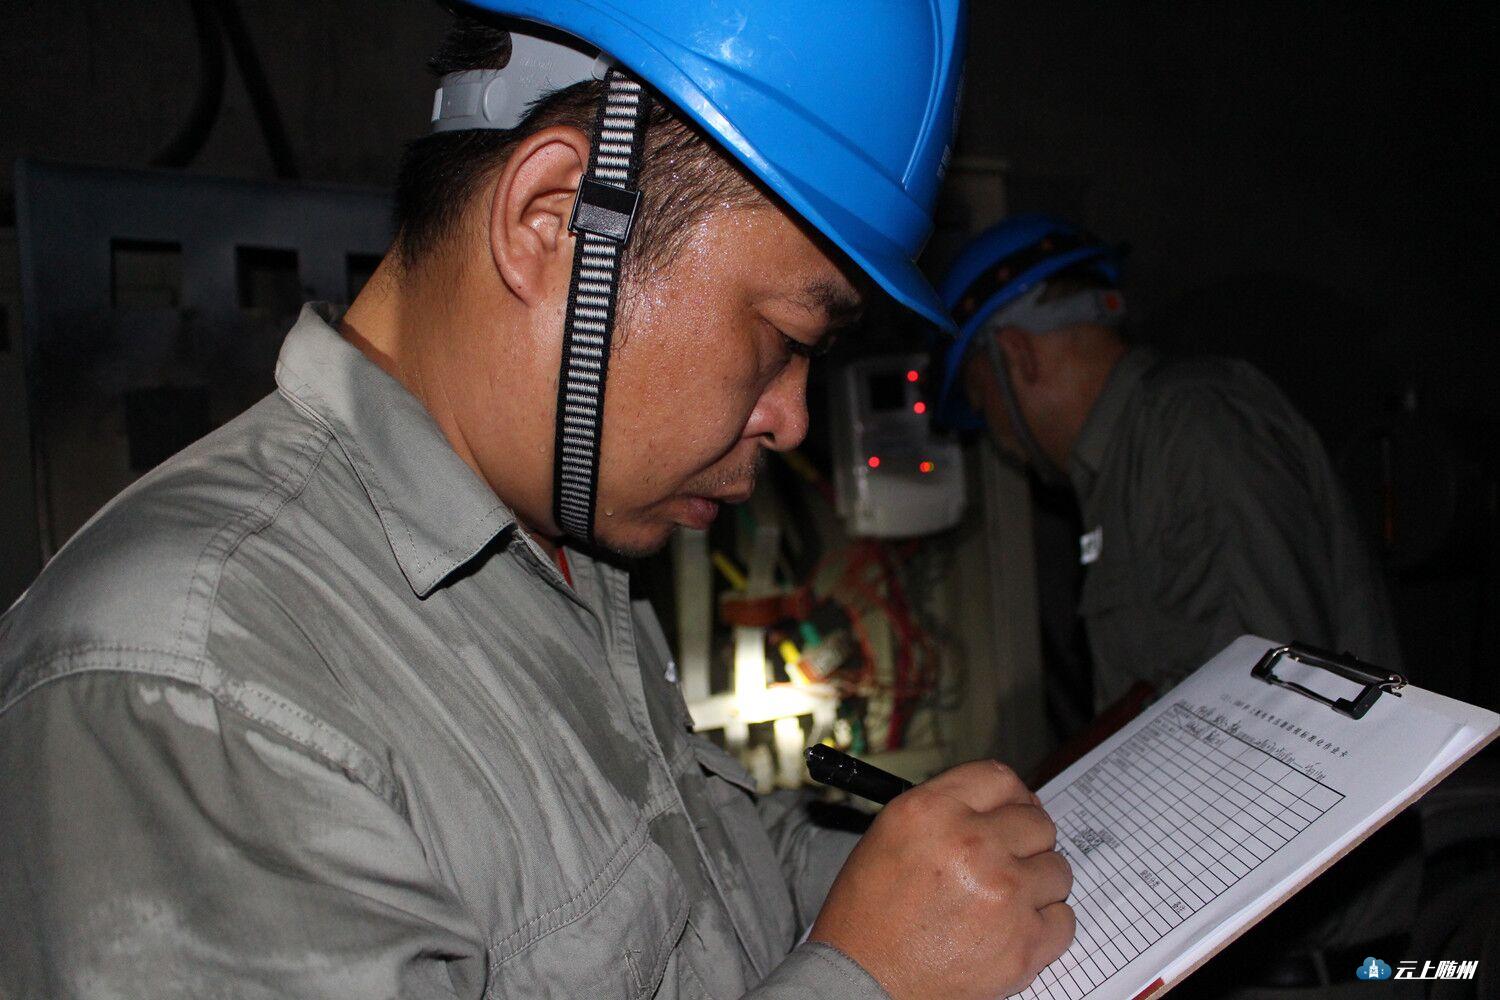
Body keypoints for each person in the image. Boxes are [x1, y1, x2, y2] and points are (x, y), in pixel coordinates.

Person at [0, 4, 1077, 999]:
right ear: (553, 222)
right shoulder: (195, 683)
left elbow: (705, 882)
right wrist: (870, 980)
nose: (792, 418)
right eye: (785, 338)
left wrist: (926, 884)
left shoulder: (569, 549)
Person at [933, 214, 1402, 713]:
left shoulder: (1193, 426)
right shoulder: (1125, 467)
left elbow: (1264, 712)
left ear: (1016, 354)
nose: (995, 437)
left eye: (981, 400)